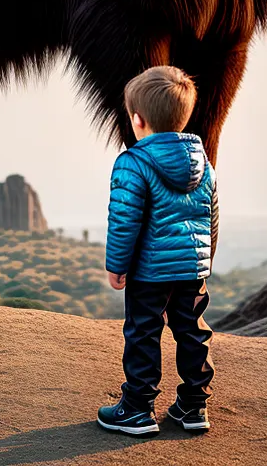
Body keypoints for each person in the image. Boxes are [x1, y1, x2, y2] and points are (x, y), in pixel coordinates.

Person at [96, 66, 217, 437]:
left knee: (144, 333)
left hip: (150, 272)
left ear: (137, 119)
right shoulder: (202, 159)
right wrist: (205, 257)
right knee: (192, 330)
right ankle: (194, 406)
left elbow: (124, 221)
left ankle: (136, 408)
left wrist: (116, 265)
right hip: (192, 268)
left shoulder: (133, 162)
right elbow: (211, 212)